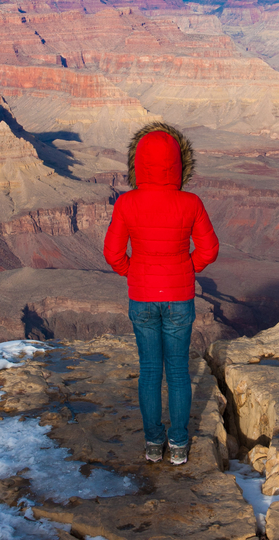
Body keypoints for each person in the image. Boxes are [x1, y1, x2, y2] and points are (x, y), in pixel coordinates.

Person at [103, 122, 219, 466]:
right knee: (180, 372)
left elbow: (112, 253)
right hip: (180, 297)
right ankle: (180, 445)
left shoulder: (127, 202)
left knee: (151, 370)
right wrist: (187, 268)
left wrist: (133, 271)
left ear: (138, 164)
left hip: (142, 297)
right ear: (178, 165)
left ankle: (154, 444)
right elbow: (209, 250)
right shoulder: (190, 202)